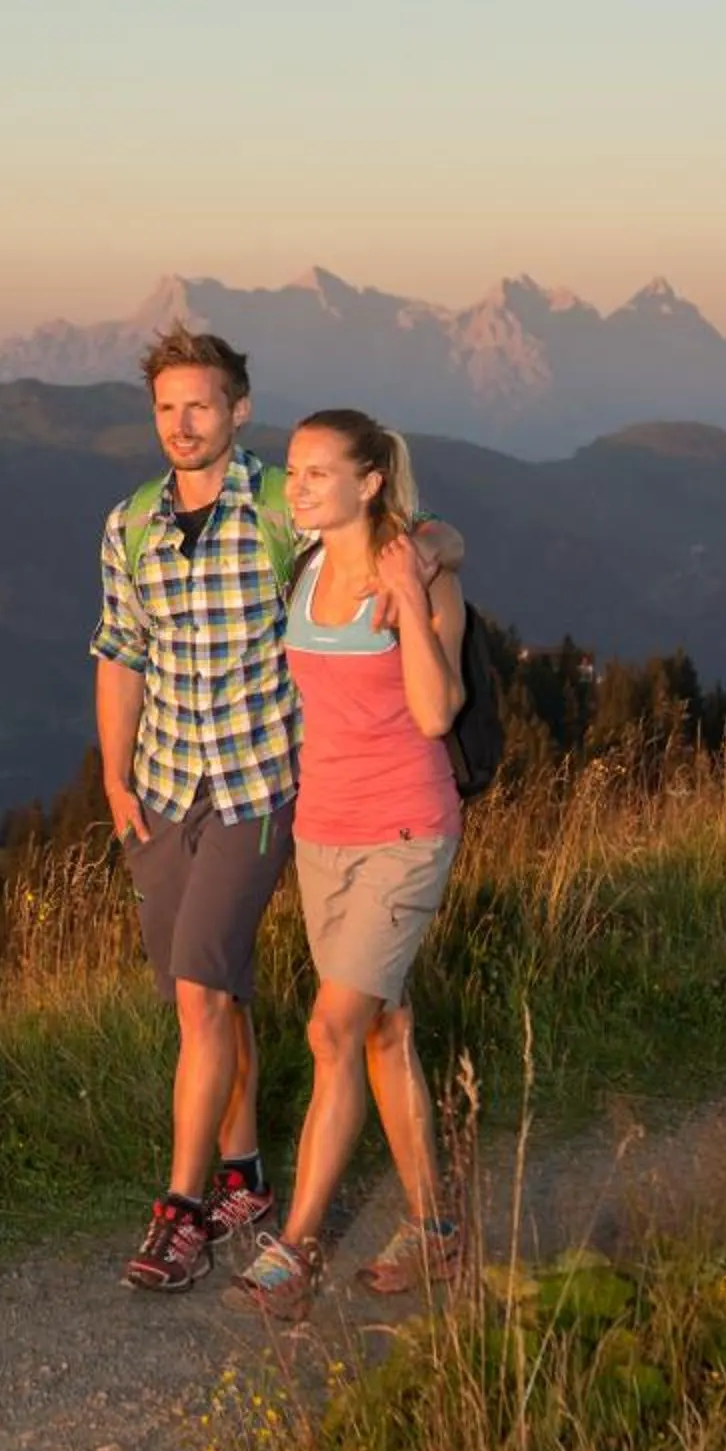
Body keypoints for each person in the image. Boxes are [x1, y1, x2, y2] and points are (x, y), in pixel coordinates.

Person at [90, 333, 458, 1294]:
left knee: (225, 999)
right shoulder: (131, 523)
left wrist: (429, 555)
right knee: (228, 997)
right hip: (174, 789)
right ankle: (256, 1178)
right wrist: (116, 780)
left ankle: (198, 1214)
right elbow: (120, 650)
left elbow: (404, 526)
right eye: (167, 408)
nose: (182, 425)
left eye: (201, 405)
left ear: (238, 410)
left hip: (262, 791)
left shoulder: (281, 506)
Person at [224, 408, 468, 1320]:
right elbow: (448, 529)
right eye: (293, 471)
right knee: (383, 1030)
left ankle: (295, 1248)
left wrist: (414, 583)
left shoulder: (421, 577)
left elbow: (437, 712)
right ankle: (435, 1230)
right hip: (321, 833)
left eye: (318, 473)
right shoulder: (305, 561)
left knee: (331, 1031)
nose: (297, 488)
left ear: (369, 483)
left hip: (405, 831)